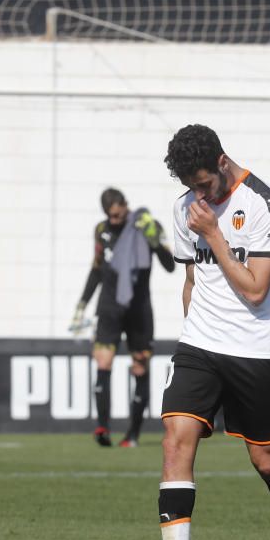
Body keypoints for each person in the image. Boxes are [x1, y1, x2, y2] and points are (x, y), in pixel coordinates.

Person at [141, 124, 270, 540]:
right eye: (189, 187)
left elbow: (257, 290)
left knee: (268, 461)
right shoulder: (186, 208)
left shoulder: (266, 205)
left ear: (222, 162)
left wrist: (215, 234)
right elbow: (192, 280)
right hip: (200, 345)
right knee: (175, 439)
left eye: (203, 183)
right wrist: (188, 336)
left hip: (255, 352)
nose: (197, 195)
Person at [70, 188, 175, 447]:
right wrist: (82, 304)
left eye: (118, 215)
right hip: (109, 307)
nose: (115, 221)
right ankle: (102, 428)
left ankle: (133, 434)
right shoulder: (101, 230)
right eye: (110, 216)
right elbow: (97, 269)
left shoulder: (147, 226)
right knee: (103, 362)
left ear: (126, 206)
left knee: (140, 365)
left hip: (139, 308)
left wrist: (154, 240)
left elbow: (170, 265)